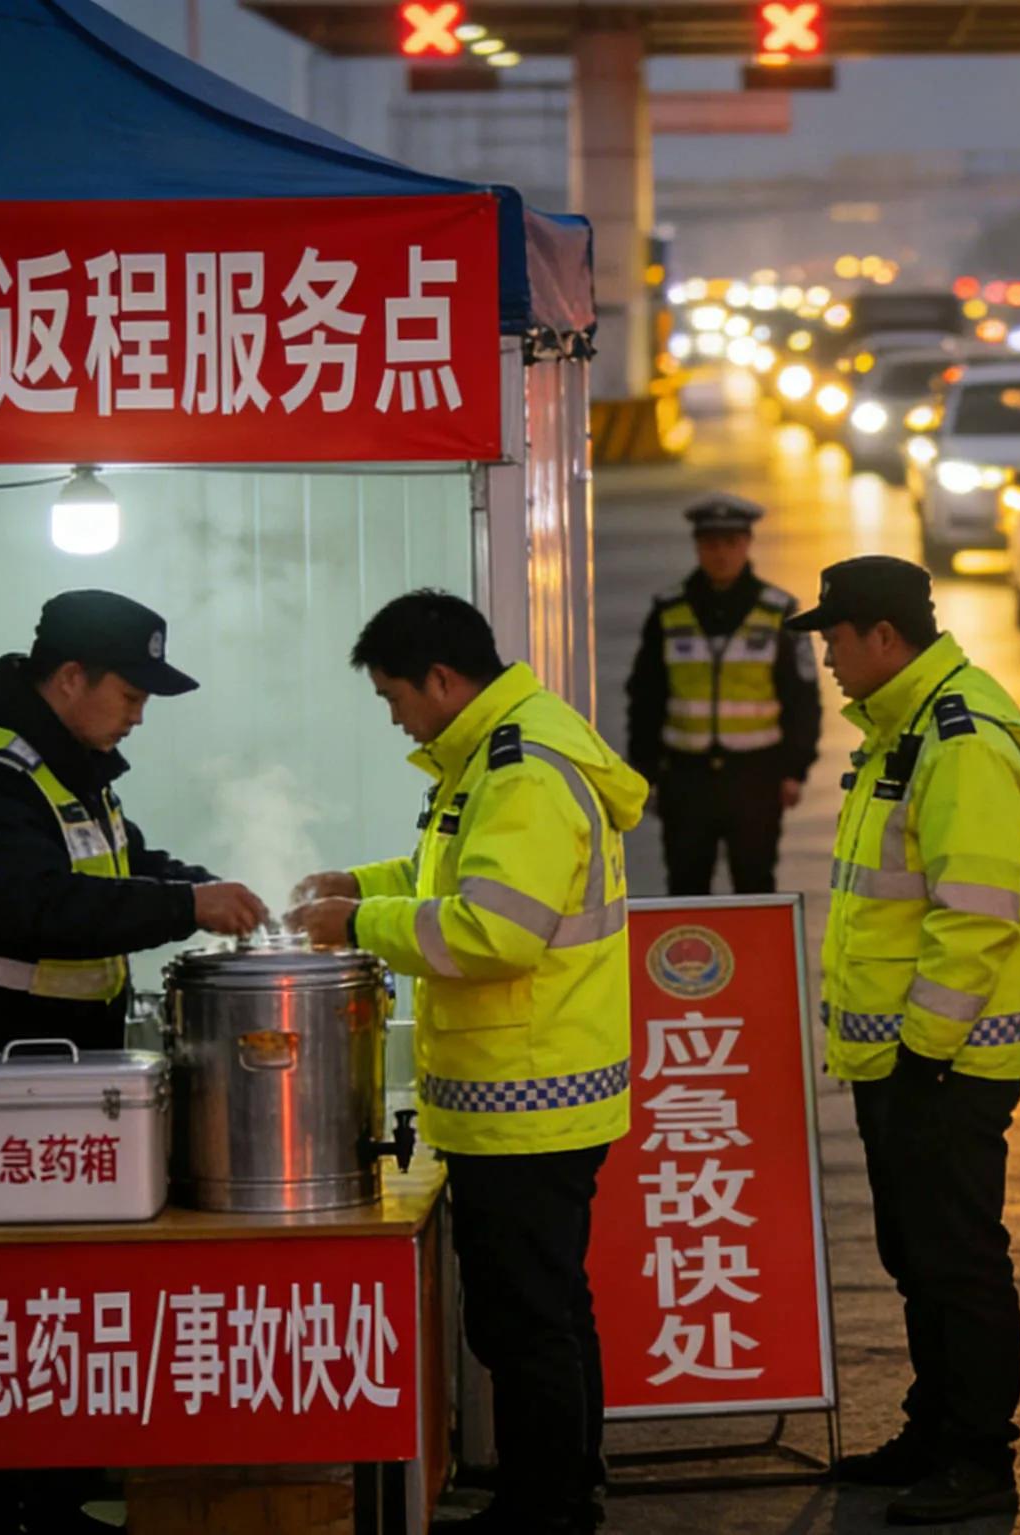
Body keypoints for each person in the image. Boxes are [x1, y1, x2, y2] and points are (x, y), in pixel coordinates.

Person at [0, 591, 262, 1533]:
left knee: (53, 1304)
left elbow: (123, 865)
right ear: (68, 679)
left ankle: (47, 1506)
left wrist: (205, 886)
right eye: (131, 692)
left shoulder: (72, 770)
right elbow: (39, 909)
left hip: (52, 1086)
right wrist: (189, 908)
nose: (140, 712)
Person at [287, 590, 646, 1535]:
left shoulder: (521, 770)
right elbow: (453, 878)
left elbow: (495, 928)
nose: (396, 715)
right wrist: (356, 886)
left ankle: (549, 1505)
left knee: (525, 1319)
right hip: (527, 1090)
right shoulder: (492, 754)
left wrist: (359, 925)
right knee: (546, 1304)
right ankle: (564, 1478)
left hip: (528, 1096)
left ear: (443, 679)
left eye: (394, 696)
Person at [791, 556, 1020, 1525]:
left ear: (883, 636)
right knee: (917, 1250)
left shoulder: (960, 737)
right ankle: (935, 1427)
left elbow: (975, 914)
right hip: (905, 1057)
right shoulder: (903, 729)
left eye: (834, 636)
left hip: (945, 1061)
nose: (825, 656)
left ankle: (981, 1455)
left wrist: (925, 1050)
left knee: (958, 1254)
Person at [624, 495, 821, 895]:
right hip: (685, 777)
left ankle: (757, 961)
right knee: (685, 889)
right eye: (712, 544)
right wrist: (646, 771)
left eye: (731, 543)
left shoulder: (780, 610)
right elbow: (644, 696)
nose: (721, 554)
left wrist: (794, 769)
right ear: (698, 547)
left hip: (756, 776)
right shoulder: (668, 610)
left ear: (747, 544)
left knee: (755, 887)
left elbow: (803, 696)